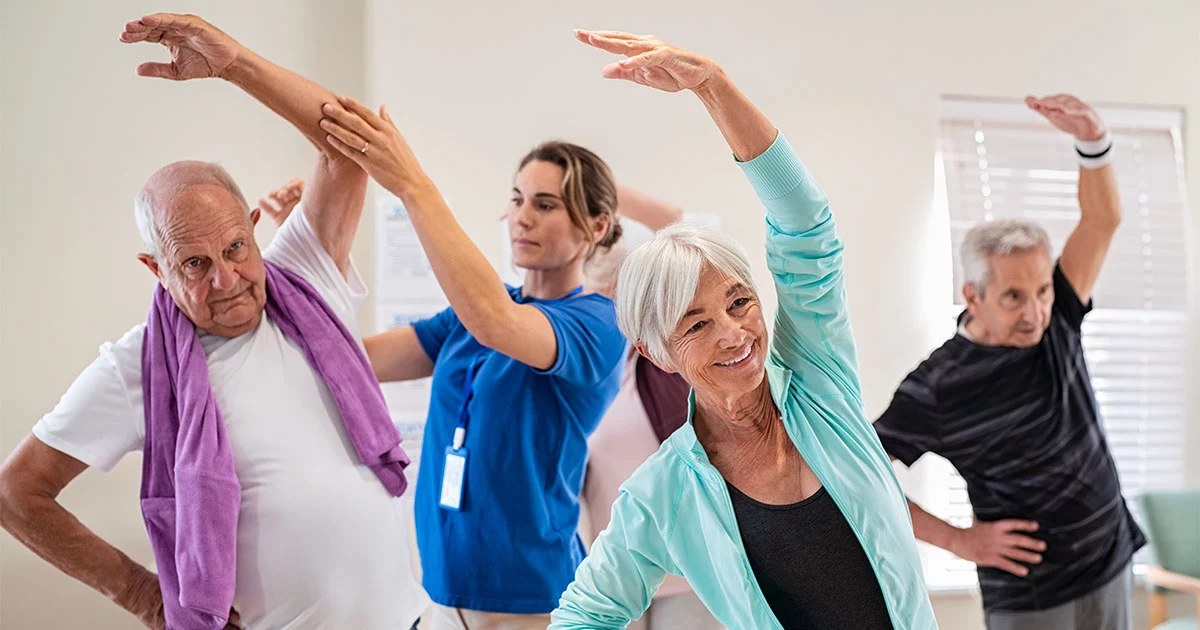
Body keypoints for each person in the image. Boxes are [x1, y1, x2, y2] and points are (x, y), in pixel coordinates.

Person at [0, 14, 426, 630]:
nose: (225, 279)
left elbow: (346, 139)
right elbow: (17, 493)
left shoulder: (305, 279)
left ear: (256, 230)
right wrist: (143, 595)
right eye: (194, 263)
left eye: (234, 249)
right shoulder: (136, 367)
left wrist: (235, 65)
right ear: (157, 269)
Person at [548, 30, 937, 630]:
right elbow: (584, 615)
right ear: (658, 353)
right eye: (697, 324)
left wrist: (712, 86)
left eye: (738, 302)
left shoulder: (818, 386)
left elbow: (806, 227)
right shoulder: (665, 492)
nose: (733, 333)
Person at [316, 61, 628, 629]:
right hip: (439, 594)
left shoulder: (598, 323)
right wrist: (308, 257)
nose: (521, 218)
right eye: (517, 199)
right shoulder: (471, 317)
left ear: (597, 225)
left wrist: (413, 186)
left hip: (531, 606)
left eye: (546, 204)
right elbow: (349, 360)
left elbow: (493, 321)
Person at [873, 95, 1140, 630]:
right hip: (1031, 596)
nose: (1036, 312)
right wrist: (958, 540)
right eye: (1014, 297)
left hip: (1110, 560)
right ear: (972, 297)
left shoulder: (1057, 314)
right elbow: (859, 477)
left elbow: (1103, 219)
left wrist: (1092, 140)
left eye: (1041, 290)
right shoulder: (937, 387)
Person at [578, 199, 722, 630]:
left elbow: (677, 225)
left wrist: (599, 188)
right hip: (613, 577)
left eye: (605, 295)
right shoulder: (592, 375)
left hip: (686, 578)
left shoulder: (668, 362)